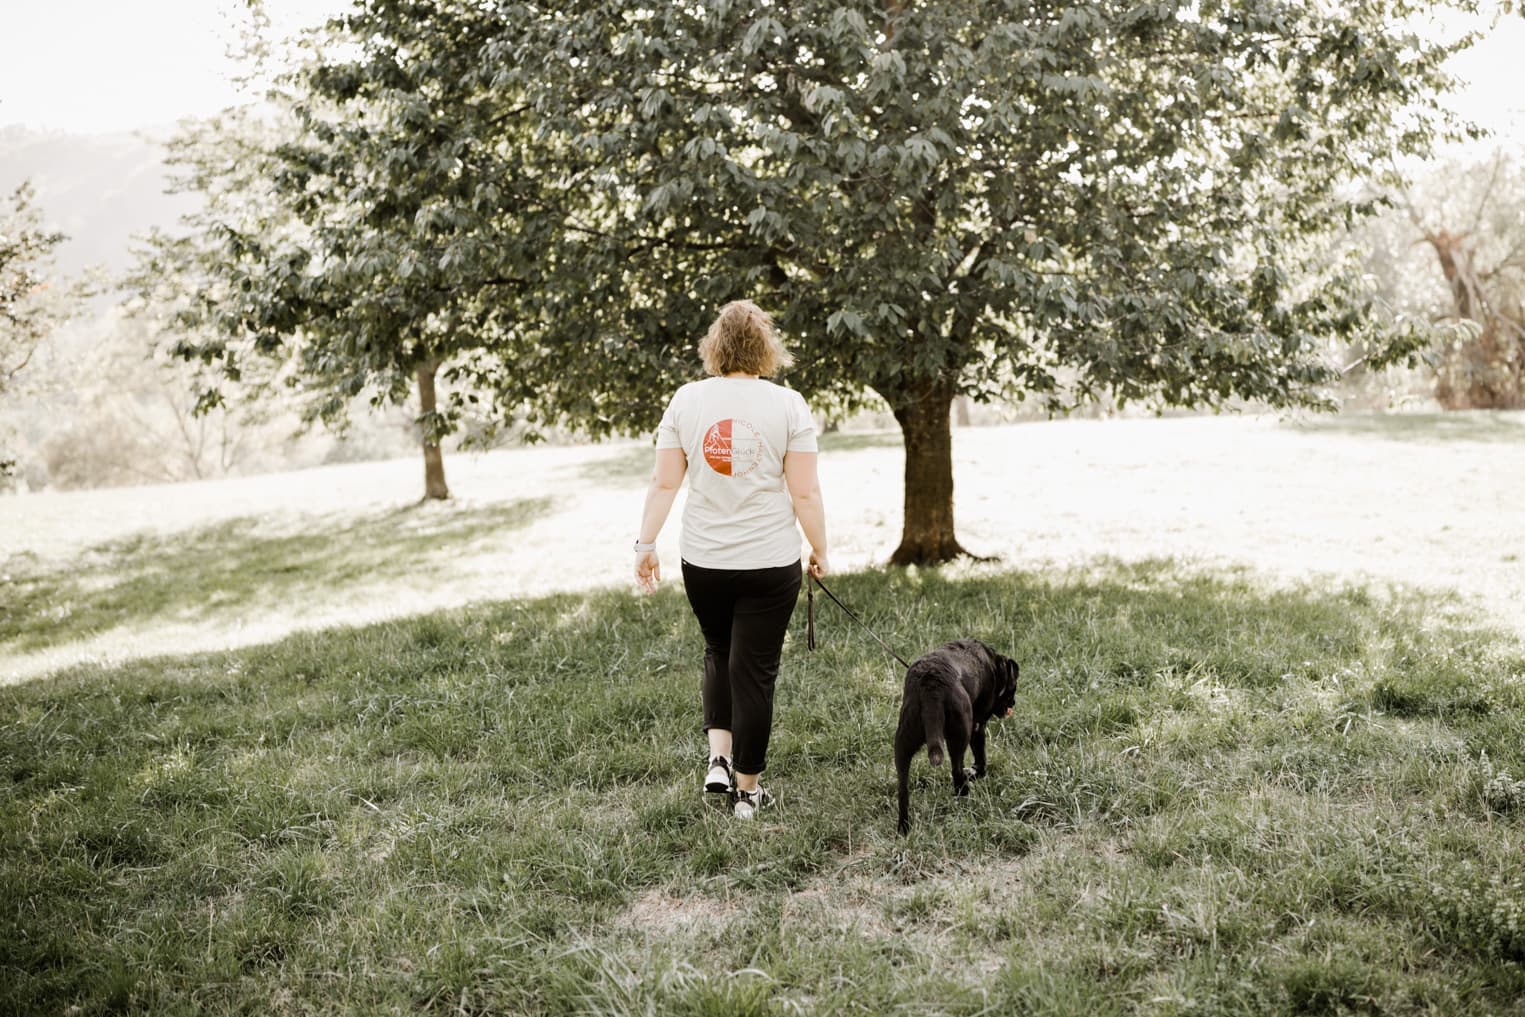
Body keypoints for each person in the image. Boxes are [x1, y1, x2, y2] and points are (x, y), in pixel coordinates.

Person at [634, 300, 828, 820]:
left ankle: (719, 761)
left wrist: (645, 545)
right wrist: (820, 548)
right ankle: (748, 791)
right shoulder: (789, 405)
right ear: (767, 348)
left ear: (714, 347)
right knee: (755, 672)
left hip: (704, 560)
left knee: (718, 651)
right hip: (770, 561)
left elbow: (664, 482)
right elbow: (805, 493)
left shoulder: (686, 400)